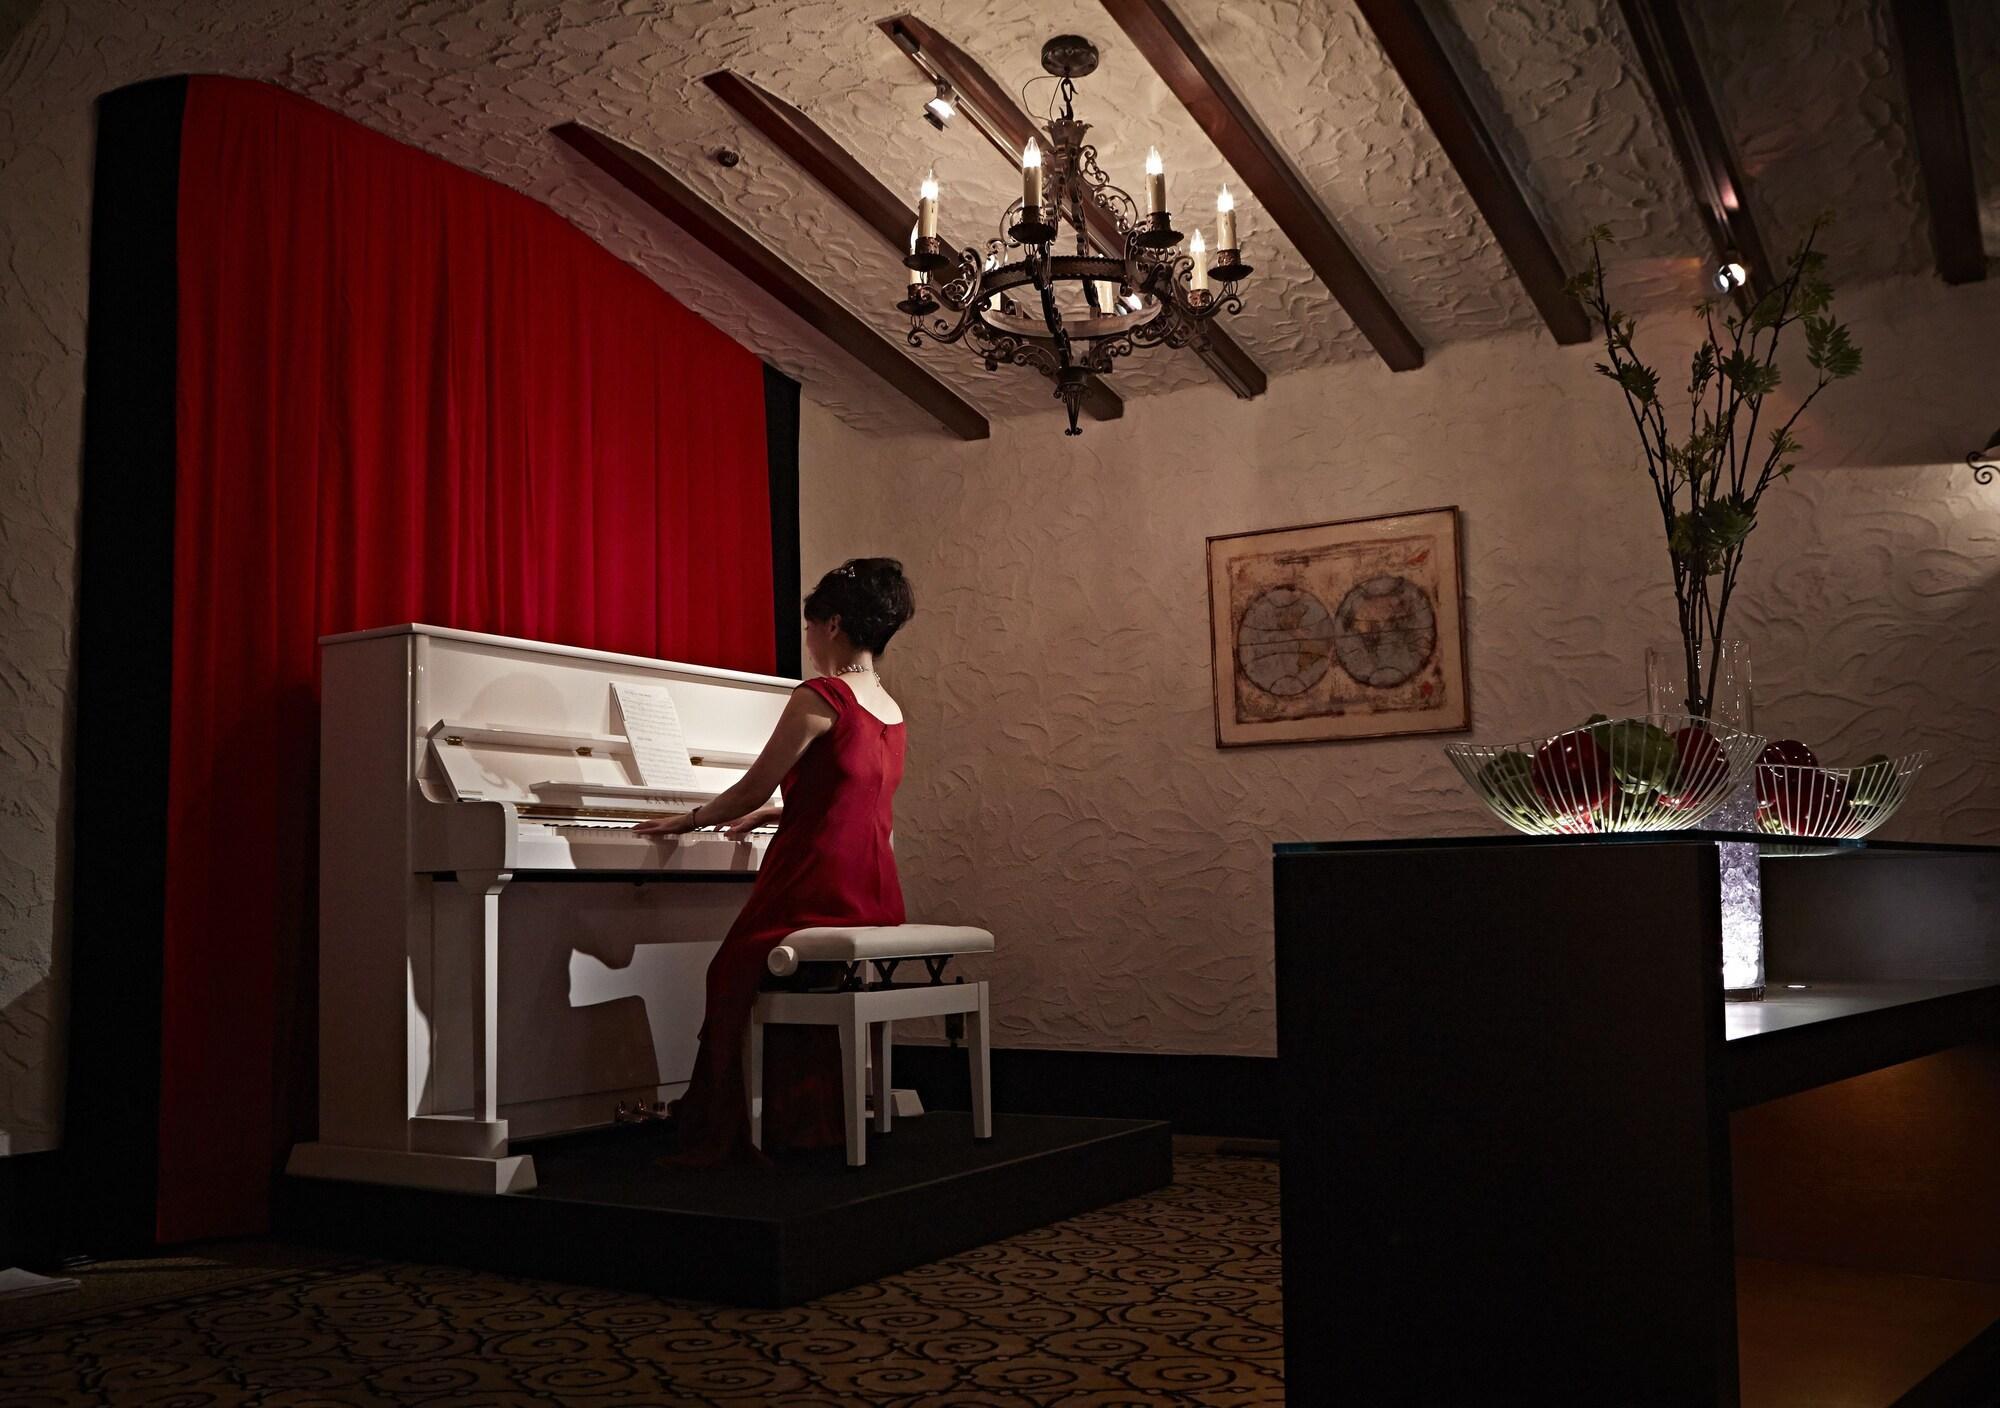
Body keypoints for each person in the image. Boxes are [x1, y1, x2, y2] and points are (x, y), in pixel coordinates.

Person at [635, 558, 915, 1163]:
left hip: (815, 887)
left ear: (833, 623)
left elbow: (750, 788)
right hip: (874, 890)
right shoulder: (889, 709)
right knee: (793, 980)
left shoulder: (822, 695)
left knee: (728, 972)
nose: (808, 641)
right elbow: (853, 799)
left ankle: (723, 1125)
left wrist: (687, 819)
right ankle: (802, 1119)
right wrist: (783, 814)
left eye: (811, 627)